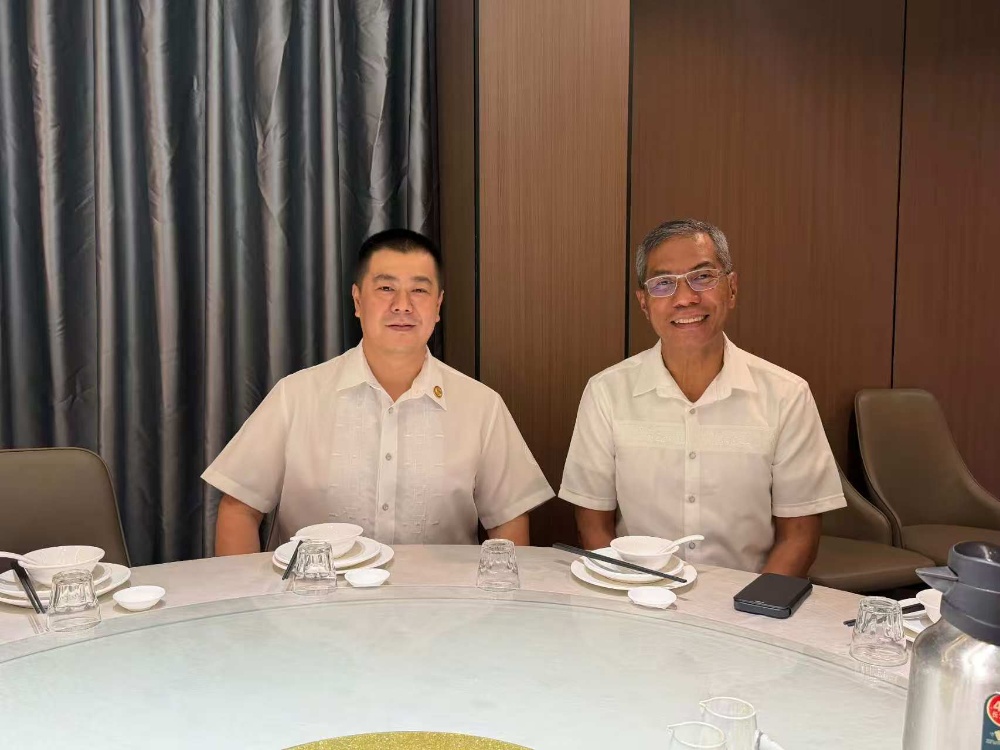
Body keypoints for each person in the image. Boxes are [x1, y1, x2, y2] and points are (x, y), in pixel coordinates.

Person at [205, 229, 553, 554]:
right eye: (386, 288)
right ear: (357, 300)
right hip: (314, 597)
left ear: (438, 306)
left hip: (441, 598)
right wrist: (250, 596)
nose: (402, 305)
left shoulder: (482, 406)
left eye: (419, 290)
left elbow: (508, 519)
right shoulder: (295, 396)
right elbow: (239, 507)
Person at [559, 219, 845, 575]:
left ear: (732, 288)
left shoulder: (787, 395)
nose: (685, 298)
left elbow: (799, 536)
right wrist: (631, 589)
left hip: (748, 597)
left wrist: (753, 604)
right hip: (636, 595)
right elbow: (593, 522)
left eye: (703, 277)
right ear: (644, 303)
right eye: (664, 283)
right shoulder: (606, 392)